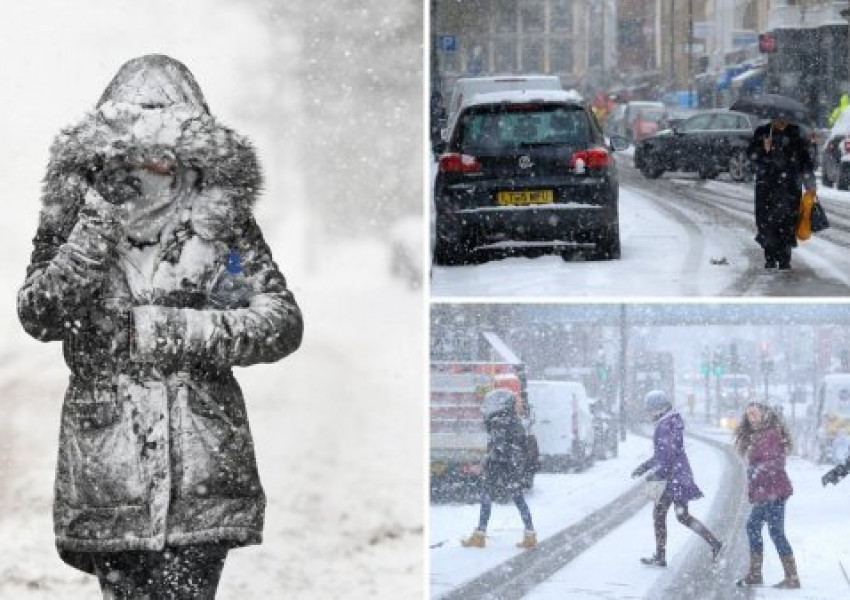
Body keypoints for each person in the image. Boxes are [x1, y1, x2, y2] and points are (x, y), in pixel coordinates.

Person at [17, 54, 304, 599]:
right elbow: (40, 314)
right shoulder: (76, 216)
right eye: (132, 143)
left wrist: (172, 330)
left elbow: (280, 321)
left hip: (202, 466)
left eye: (167, 140)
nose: (149, 159)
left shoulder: (221, 223)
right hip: (108, 471)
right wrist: (93, 231)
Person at [631, 390, 722, 568]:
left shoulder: (665, 425)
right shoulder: (672, 421)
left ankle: (660, 556)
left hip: (670, 478)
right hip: (680, 475)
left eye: (651, 410)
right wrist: (645, 467)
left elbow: (666, 456)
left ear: (660, 408)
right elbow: (664, 453)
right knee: (683, 516)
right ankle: (714, 542)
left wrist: (654, 473)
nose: (649, 413)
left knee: (659, 515)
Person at [733, 402, 799, 589]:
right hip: (765, 493)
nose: (751, 418)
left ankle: (791, 577)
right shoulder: (759, 435)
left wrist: (757, 471)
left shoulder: (770, 435)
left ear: (764, 416)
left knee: (776, 532)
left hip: (774, 492)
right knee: (753, 526)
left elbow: (775, 463)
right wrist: (754, 485)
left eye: (754, 414)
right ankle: (755, 574)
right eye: (749, 415)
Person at [461, 389, 537, 550]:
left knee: (486, 497)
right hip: (513, 466)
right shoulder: (514, 421)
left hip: (498, 465)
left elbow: (498, 447)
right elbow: (521, 444)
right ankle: (530, 534)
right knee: (518, 498)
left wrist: (489, 461)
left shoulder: (498, 421)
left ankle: (480, 535)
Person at [746, 112, 816, 270]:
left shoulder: (796, 133)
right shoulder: (763, 132)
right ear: (772, 118)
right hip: (767, 186)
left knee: (788, 221)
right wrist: (764, 150)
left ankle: (785, 258)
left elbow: (805, 161)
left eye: (784, 119)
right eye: (778, 119)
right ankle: (770, 257)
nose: (781, 121)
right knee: (766, 222)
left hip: (790, 187)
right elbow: (752, 158)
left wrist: (810, 184)